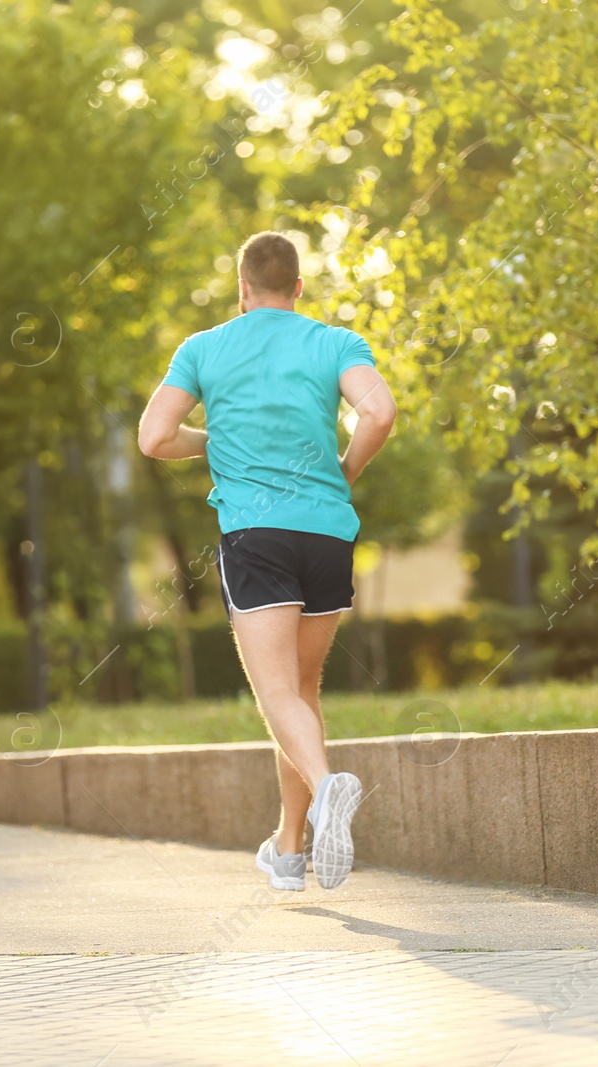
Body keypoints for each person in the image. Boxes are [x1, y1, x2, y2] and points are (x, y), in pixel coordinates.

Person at [137, 231, 396, 891]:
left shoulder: (203, 348)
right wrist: (347, 468)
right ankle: (288, 848)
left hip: (257, 533)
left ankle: (328, 783)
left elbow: (153, 436)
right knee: (301, 693)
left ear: (243, 288)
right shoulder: (336, 342)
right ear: (299, 287)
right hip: (328, 533)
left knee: (276, 692)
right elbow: (379, 411)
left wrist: (212, 440)